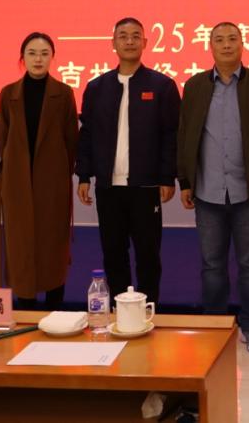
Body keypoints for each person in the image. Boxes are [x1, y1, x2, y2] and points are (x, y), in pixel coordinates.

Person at [178, 22, 249, 352]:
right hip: (207, 191)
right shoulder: (195, 86)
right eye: (219, 40)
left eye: (232, 39)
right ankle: (214, 327)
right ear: (210, 46)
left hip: (248, 191)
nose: (226, 45)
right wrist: (185, 181)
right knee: (212, 265)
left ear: (242, 43)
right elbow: (185, 135)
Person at [75, 17, 180, 303]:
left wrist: (167, 177)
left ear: (145, 42)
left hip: (146, 188)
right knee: (113, 254)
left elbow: (171, 135)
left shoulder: (162, 86)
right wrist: (83, 175)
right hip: (108, 188)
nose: (130, 41)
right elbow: (87, 134)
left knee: (148, 255)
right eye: (123, 36)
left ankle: (148, 312)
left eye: (135, 36)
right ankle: (119, 312)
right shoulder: (97, 87)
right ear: (113, 43)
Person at [0, 32, 78, 309]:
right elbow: (4, 139)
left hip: (52, 181)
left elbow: (71, 139)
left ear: (52, 57)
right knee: (20, 243)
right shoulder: (8, 94)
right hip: (17, 182)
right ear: (23, 58)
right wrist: (13, 173)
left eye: (44, 53)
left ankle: (55, 304)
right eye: (32, 53)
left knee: (53, 243)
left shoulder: (63, 93)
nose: (38, 59)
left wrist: (60, 174)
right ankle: (26, 305)